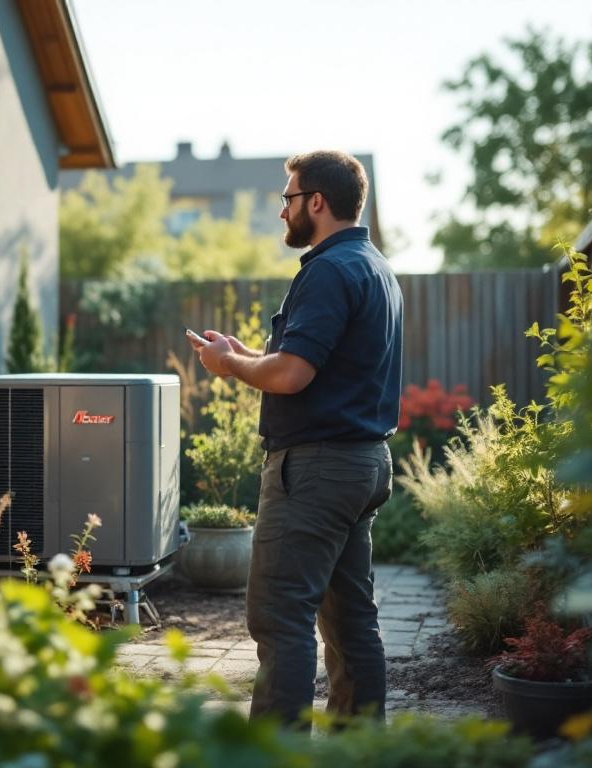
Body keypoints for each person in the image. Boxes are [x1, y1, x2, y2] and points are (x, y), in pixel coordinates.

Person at [187, 150, 402, 729]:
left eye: (287, 198)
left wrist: (230, 367)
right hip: (361, 465)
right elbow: (302, 365)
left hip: (316, 471)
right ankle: (362, 750)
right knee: (351, 620)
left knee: (282, 618)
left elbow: (290, 376)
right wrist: (240, 355)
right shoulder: (374, 267)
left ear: (316, 202)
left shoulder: (328, 270)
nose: (282, 212)